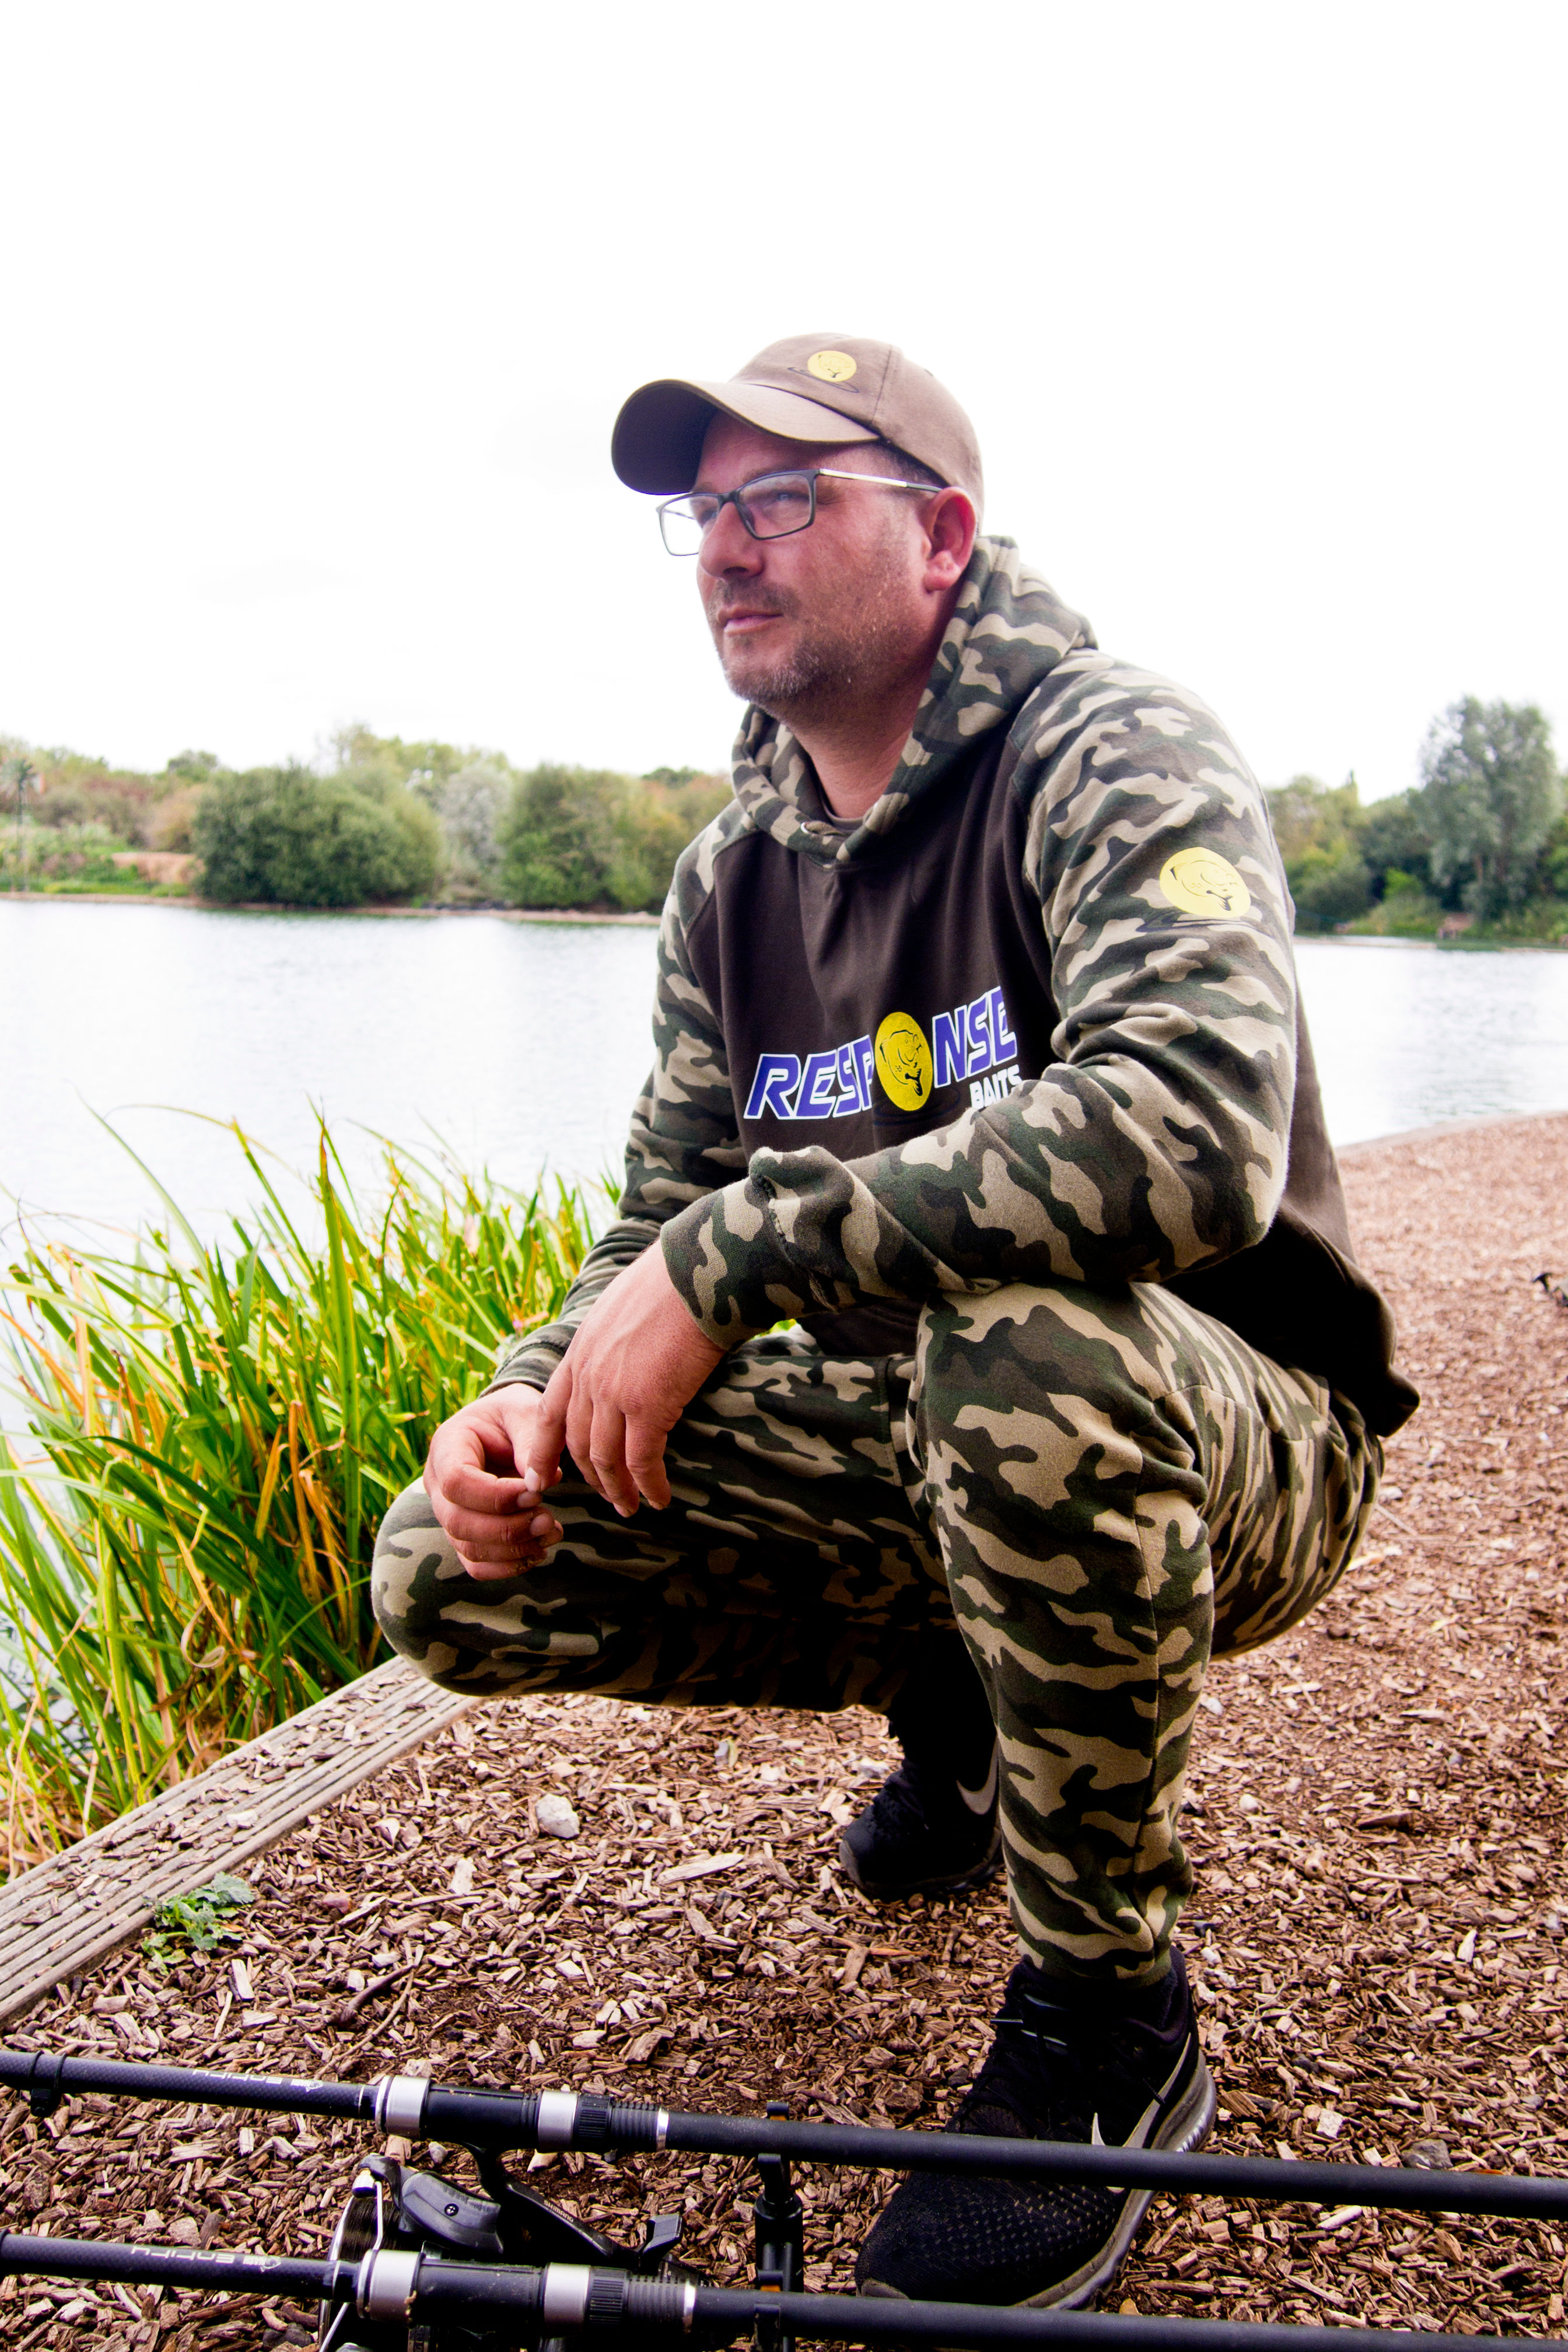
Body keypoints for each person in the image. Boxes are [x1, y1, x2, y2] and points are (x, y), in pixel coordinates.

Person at [373, 334, 1416, 2311]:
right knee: (448, 1568)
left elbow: (1190, 1135)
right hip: (948, 1436)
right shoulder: (727, 877)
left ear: (940, 534)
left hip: (1225, 1426)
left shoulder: (1111, 747)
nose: (725, 553)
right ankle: (964, 1709)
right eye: (703, 515)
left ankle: (1112, 2016)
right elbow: (656, 1224)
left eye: (785, 501)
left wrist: (739, 1267)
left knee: (1021, 1334)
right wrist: (524, 1398)